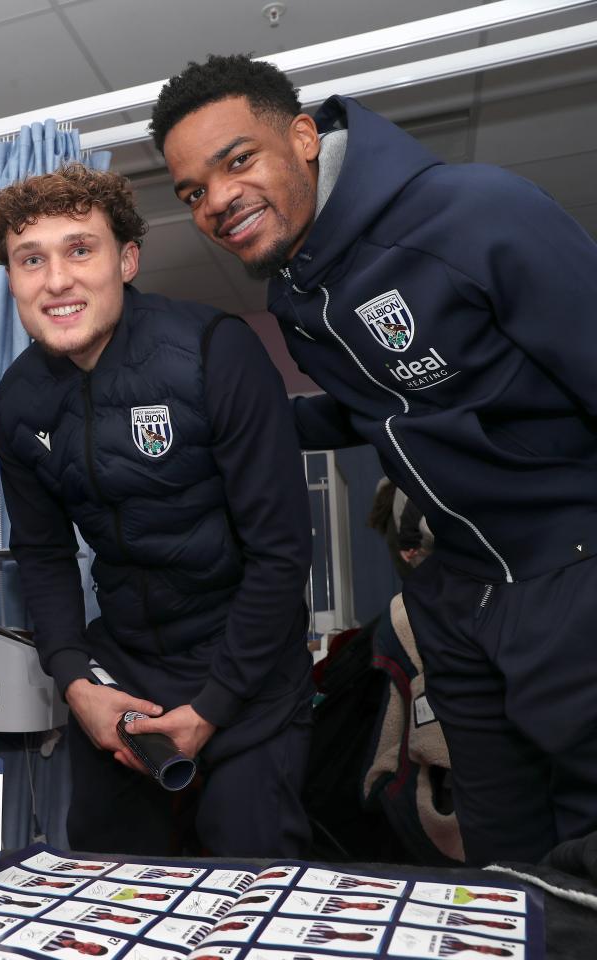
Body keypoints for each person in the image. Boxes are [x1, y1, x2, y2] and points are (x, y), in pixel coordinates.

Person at [153, 53, 597, 865]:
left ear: (303, 137)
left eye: (237, 160)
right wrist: (244, 422)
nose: (217, 201)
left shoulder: (474, 214)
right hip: (458, 598)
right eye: (192, 193)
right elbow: (382, 409)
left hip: (569, 569)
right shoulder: (296, 295)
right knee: (501, 858)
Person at [0, 163, 313, 858]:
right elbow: (42, 556)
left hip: (246, 668)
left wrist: (215, 705)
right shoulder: (16, 403)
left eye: (81, 249)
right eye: (31, 259)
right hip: (124, 677)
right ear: (11, 280)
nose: (57, 280)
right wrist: (74, 681)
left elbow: (280, 551)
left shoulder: (212, 353)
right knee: (110, 893)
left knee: (248, 889)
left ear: (127, 259)